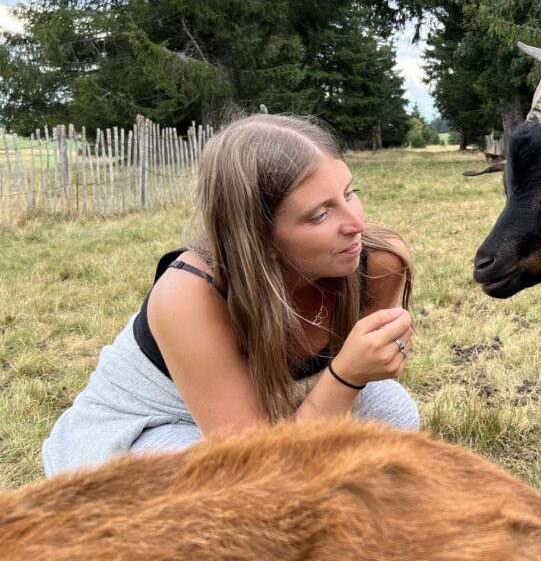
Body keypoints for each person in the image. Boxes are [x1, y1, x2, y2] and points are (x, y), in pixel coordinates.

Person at [42, 113, 419, 476]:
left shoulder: (379, 262)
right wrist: (347, 377)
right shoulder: (186, 295)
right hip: (158, 420)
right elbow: (259, 472)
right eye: (319, 215)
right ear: (259, 237)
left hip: (284, 403)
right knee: (209, 496)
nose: (356, 224)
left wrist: (359, 371)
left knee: (392, 412)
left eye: (350, 193)